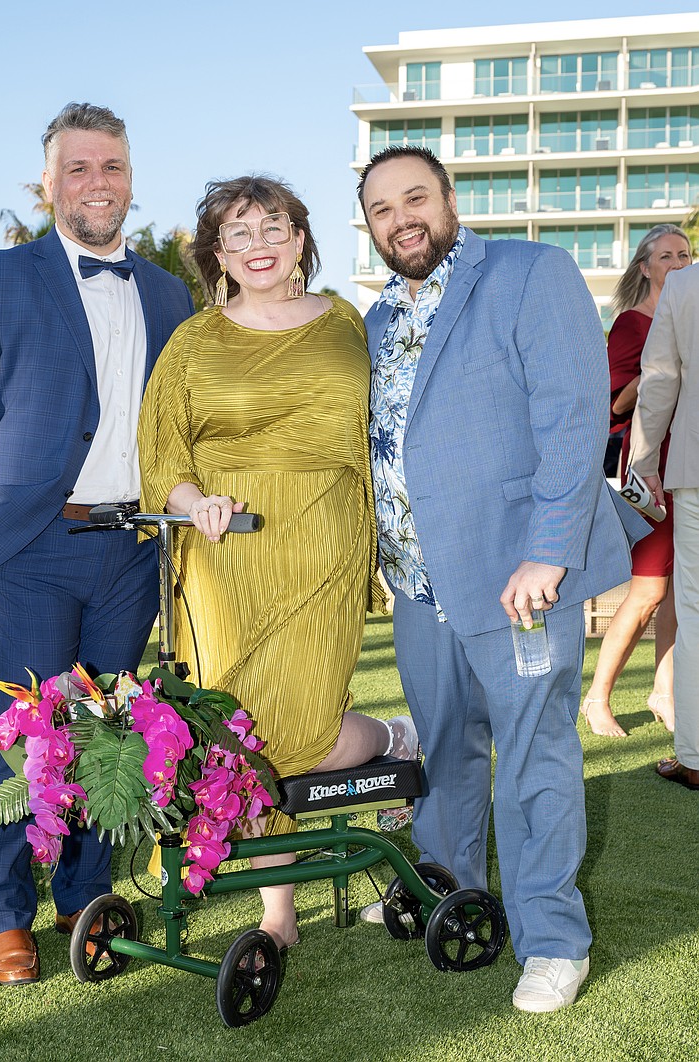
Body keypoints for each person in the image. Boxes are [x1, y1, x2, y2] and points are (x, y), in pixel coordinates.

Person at [357, 145, 649, 1012]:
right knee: (446, 747)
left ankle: (552, 939)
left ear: (450, 198)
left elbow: (573, 414)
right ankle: (447, 890)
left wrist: (549, 549)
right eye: (381, 209)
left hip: (520, 576)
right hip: (420, 586)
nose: (402, 219)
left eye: (415, 197)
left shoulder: (530, 272)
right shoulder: (375, 320)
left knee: (533, 756)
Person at [0, 102, 194, 985]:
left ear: (131, 180)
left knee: (111, 730)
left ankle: (84, 895)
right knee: (28, 733)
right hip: (29, 548)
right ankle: (4, 915)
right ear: (48, 184)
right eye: (78, 168)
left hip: (132, 549)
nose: (96, 183)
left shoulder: (169, 293)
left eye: (111, 167)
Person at [137, 175, 414, 952]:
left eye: (272, 228)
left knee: (301, 728)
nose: (257, 244)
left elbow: (384, 428)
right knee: (236, 733)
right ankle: (277, 911)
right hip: (224, 552)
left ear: (299, 240)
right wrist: (195, 502)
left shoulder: (345, 321)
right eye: (238, 233)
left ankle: (394, 738)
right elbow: (162, 451)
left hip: (325, 538)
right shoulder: (193, 341)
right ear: (217, 255)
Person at [582, 225, 691, 737]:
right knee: (647, 589)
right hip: (649, 465)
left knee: (677, 591)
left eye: (684, 255)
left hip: (686, 462)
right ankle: (597, 697)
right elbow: (616, 403)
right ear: (645, 268)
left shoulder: (689, 321)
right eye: (666, 256)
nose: (678, 263)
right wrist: (664, 367)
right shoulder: (632, 323)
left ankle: (663, 692)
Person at [630, 262, 699, 792]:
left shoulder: (684, 284)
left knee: (695, 613)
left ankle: (695, 756)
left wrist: (644, 460)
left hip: (696, 471)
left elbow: (658, 381)